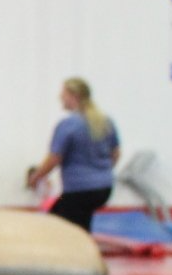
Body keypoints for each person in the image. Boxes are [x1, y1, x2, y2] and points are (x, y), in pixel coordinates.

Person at [28, 76, 120, 232]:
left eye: (63, 93)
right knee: (80, 219)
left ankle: (74, 253)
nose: (60, 97)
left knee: (57, 223)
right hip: (104, 189)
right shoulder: (105, 121)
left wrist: (36, 177)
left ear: (74, 96)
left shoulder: (68, 125)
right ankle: (85, 246)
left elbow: (54, 158)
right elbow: (116, 153)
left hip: (79, 192)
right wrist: (101, 172)